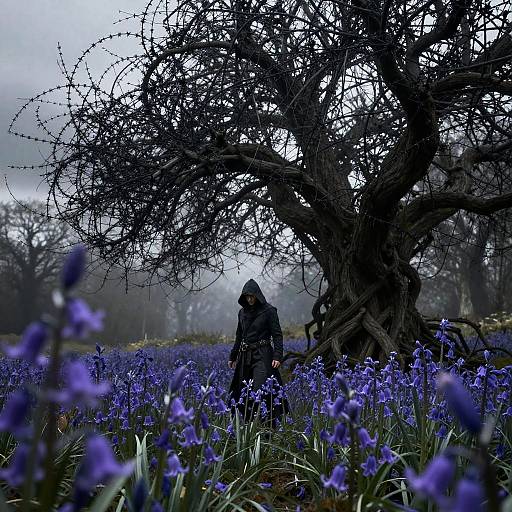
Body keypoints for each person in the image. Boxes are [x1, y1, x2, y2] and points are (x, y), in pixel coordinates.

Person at [228, 279, 289, 424]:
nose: (249, 299)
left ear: (257, 295)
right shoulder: (241, 313)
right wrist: (233, 356)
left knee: (259, 390)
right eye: (247, 296)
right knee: (244, 392)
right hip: (245, 357)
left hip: (263, 355)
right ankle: (249, 426)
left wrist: (277, 355)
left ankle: (267, 424)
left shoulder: (269, 311)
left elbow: (277, 335)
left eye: (252, 296)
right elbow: (239, 336)